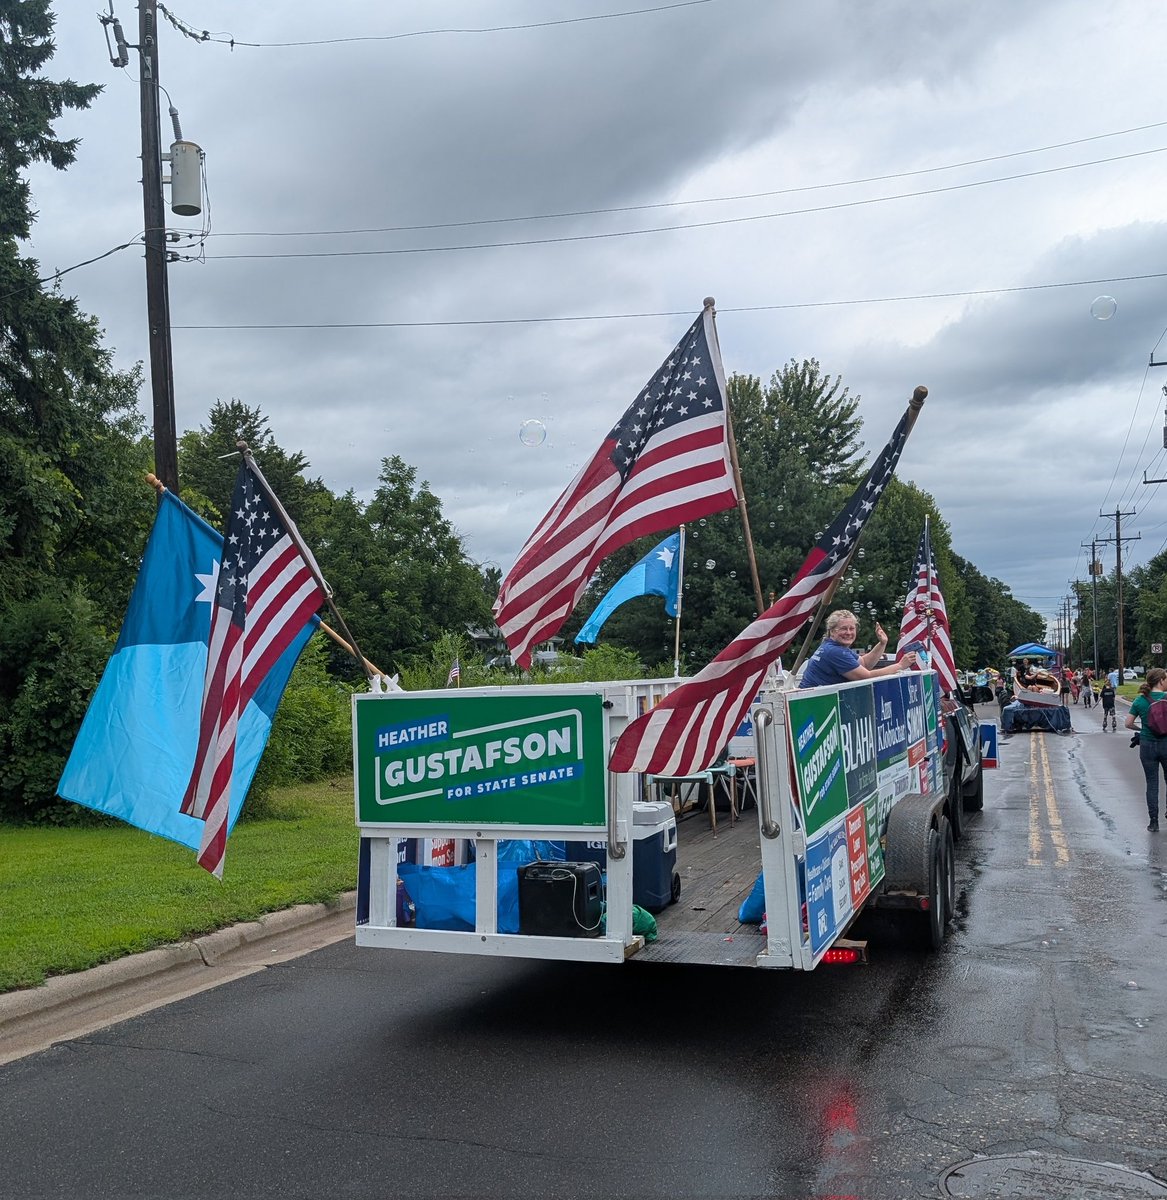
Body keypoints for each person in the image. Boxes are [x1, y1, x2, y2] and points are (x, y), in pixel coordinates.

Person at [799, 610, 917, 689]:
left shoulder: (833, 646)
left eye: (852, 628)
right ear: (832, 632)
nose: (849, 633)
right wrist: (900, 665)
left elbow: (864, 663)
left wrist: (882, 643)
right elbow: (867, 676)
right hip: (813, 704)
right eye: (843, 629)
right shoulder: (835, 652)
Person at [1125, 667, 1167, 831]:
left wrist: (1142, 730)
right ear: (1161, 680)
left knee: (1152, 783)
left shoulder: (1140, 700)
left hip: (1147, 744)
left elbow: (1127, 723)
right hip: (1166, 743)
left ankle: (1154, 821)